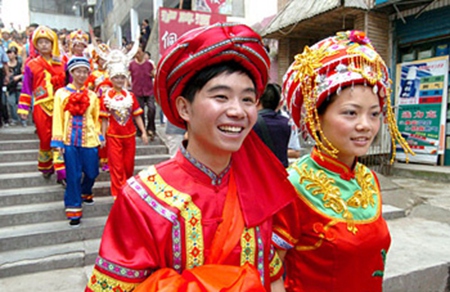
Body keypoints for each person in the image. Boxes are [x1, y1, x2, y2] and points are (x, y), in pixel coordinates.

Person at [86, 23, 297, 292]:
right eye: (221, 96)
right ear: (184, 107)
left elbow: (272, 275)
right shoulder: (142, 198)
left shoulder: (256, 190)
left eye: (247, 99)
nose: (238, 111)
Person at [272, 30, 415, 292]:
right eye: (350, 113)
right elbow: (272, 275)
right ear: (316, 117)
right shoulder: (292, 186)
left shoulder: (369, 179)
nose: (365, 126)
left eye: (374, 114)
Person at [51, 57, 102, 227]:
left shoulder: (93, 96)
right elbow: (57, 117)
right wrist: (58, 142)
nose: (81, 75)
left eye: (85, 71)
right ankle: (74, 210)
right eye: (78, 71)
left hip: (89, 140)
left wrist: (99, 135)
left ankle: (86, 191)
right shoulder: (61, 94)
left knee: (92, 172)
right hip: (69, 141)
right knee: (73, 176)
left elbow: (96, 119)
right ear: (71, 73)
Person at [17, 26, 66, 185]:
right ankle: (46, 166)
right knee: (45, 138)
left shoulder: (61, 63)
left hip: (60, 106)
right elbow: (26, 86)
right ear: (36, 45)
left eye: (47, 42)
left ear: (53, 44)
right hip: (41, 106)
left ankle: (62, 171)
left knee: (59, 137)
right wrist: (24, 107)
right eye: (41, 42)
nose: (44, 45)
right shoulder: (31, 64)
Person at [99, 44, 148, 199]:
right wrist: (102, 136)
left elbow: (137, 115)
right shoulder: (106, 96)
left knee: (128, 165)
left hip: (130, 135)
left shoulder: (130, 96)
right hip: (113, 136)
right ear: (111, 78)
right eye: (116, 77)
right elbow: (104, 118)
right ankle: (118, 193)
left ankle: (127, 191)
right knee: (116, 166)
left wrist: (144, 132)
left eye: (122, 77)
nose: (119, 80)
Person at [86, 43, 112, 172]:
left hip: (111, 104)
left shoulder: (112, 72)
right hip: (97, 105)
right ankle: (100, 159)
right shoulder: (93, 74)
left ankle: (109, 159)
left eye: (105, 58)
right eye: (101, 59)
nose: (103, 61)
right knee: (99, 131)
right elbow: (89, 89)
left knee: (109, 132)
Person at [253, 83, 291, 167]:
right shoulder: (287, 123)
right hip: (281, 172)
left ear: (258, 101)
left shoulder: (251, 124)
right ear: (278, 103)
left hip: (260, 172)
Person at [129, 43, 156, 139]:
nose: (137, 55)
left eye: (139, 53)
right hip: (137, 90)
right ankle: (141, 129)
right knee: (139, 111)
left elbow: (154, 74)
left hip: (148, 89)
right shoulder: (131, 64)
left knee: (152, 108)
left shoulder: (149, 64)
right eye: (136, 53)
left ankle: (151, 128)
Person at [6, 46, 23, 126]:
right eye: (8, 53)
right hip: (10, 87)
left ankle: (23, 119)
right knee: (11, 102)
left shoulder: (19, 64)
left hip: (19, 86)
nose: (9, 55)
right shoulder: (6, 65)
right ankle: (14, 118)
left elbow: (24, 73)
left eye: (11, 53)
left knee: (20, 102)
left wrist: (19, 77)